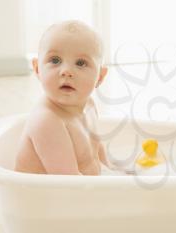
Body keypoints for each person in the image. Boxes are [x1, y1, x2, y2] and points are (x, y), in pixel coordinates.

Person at [14, 20, 111, 175]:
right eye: (55, 60)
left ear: (100, 76)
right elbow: (68, 184)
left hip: (80, 189)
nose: (66, 71)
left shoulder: (89, 105)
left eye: (80, 63)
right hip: (44, 197)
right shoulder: (47, 121)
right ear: (37, 68)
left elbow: (97, 149)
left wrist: (114, 172)